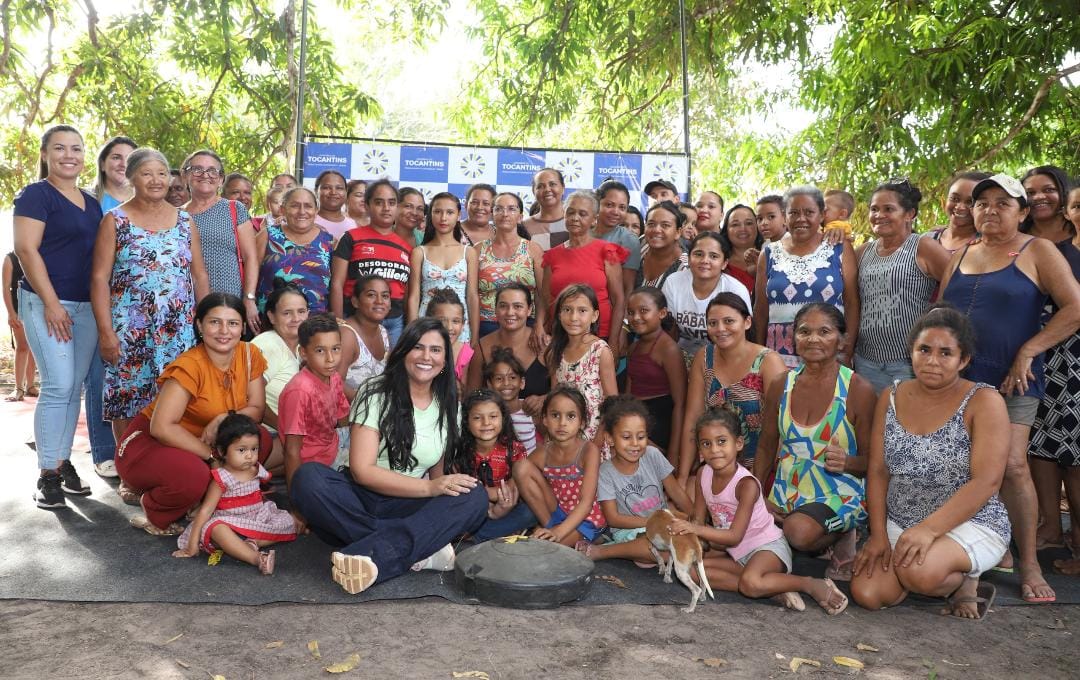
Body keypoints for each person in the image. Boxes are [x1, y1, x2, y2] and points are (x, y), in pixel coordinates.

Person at [940, 173, 1080, 603]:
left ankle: (1029, 565)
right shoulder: (961, 251)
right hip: (958, 381)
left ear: (1022, 211)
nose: (991, 210)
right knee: (963, 466)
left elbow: (1075, 307)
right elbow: (941, 312)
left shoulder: (1038, 250)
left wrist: (1028, 351)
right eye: (983, 203)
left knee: (1014, 467)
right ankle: (973, 551)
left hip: (1014, 378)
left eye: (1003, 203)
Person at [289, 317, 489, 593]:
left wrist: (440, 491)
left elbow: (437, 469)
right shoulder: (375, 392)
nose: (426, 357)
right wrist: (430, 489)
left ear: (445, 360)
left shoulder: (449, 405)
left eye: (435, 350)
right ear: (403, 351)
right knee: (308, 478)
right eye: (418, 347)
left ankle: (376, 553)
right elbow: (363, 470)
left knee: (474, 496)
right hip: (358, 498)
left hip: (408, 503)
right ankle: (414, 548)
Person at [853, 306, 1011, 618]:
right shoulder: (891, 395)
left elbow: (987, 481)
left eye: (945, 353)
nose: (932, 361)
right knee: (867, 593)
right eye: (924, 349)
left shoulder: (984, 401)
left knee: (921, 573)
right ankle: (928, 574)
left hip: (970, 522)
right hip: (902, 520)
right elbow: (878, 470)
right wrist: (879, 535)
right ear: (911, 352)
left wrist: (928, 530)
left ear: (963, 360)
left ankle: (968, 579)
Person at [116, 294, 276, 534]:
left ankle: (204, 502)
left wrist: (225, 417)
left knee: (257, 439)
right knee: (192, 476)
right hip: (148, 444)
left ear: (243, 327)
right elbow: (161, 428)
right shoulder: (190, 364)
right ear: (200, 325)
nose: (224, 331)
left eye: (232, 323)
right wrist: (213, 457)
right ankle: (155, 508)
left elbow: (256, 409)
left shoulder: (248, 354)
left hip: (201, 441)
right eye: (214, 322)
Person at [670, 407, 850, 614]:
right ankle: (774, 589)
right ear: (700, 450)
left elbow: (733, 536)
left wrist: (694, 529)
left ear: (738, 443)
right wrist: (687, 532)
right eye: (706, 444)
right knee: (689, 571)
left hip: (767, 548)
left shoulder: (746, 484)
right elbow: (699, 520)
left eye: (721, 441)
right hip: (737, 554)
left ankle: (807, 584)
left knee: (750, 583)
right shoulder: (703, 474)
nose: (714, 450)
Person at [91, 147, 210, 448]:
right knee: (127, 396)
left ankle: (171, 465)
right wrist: (106, 332)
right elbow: (99, 279)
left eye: (160, 173)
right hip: (129, 330)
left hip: (178, 330)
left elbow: (199, 275)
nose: (156, 180)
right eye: (146, 174)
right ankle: (128, 466)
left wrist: (205, 322)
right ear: (132, 178)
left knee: (178, 396)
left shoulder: (185, 222)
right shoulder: (114, 220)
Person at [753, 304, 876, 581]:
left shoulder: (858, 390)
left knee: (798, 532)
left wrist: (848, 462)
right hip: (786, 494)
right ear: (793, 338)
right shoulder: (782, 384)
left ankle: (842, 531)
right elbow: (766, 444)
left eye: (824, 332)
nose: (813, 339)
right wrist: (757, 493)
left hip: (839, 495)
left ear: (842, 340)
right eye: (804, 331)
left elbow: (875, 462)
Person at [15, 125, 104, 506]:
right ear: (45, 154)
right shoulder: (36, 195)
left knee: (73, 388)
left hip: (86, 307)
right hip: (45, 302)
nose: (70, 155)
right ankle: (47, 475)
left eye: (77, 149)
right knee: (57, 384)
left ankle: (61, 459)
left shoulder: (91, 201)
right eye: (60, 148)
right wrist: (51, 302)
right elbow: (26, 250)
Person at [854, 179, 950, 393]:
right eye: (874, 209)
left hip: (909, 362)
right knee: (872, 425)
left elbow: (958, 284)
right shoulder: (862, 252)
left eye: (889, 209)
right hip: (866, 360)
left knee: (907, 424)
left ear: (910, 214)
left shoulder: (922, 246)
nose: (879, 215)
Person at [681, 293, 787, 484]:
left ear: (747, 322)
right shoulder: (704, 358)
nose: (720, 329)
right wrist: (682, 475)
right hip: (717, 465)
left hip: (764, 469)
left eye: (729, 321)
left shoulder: (768, 362)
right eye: (713, 323)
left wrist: (757, 480)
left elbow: (781, 428)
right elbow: (692, 420)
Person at [172, 414, 298, 575]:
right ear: (222, 451)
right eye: (241, 450)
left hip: (255, 518)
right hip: (229, 523)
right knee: (217, 529)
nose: (249, 455)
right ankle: (256, 558)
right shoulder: (222, 478)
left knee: (289, 521)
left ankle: (251, 542)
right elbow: (206, 511)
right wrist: (192, 545)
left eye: (254, 449)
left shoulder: (256, 469)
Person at [753, 185, 859, 369]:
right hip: (778, 360)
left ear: (822, 215)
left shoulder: (839, 248)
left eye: (809, 212)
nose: (801, 219)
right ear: (785, 217)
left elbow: (852, 303)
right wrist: (761, 354)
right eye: (793, 213)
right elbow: (761, 309)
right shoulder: (769, 253)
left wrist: (846, 351)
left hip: (829, 357)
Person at [1029, 179, 1080, 558]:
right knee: (1038, 443)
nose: (1038, 197)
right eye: (1029, 192)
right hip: (1034, 354)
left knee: (1074, 452)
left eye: (1047, 189)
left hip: (1073, 352)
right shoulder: (1020, 237)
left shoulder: (1074, 241)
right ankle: (1050, 527)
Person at [578, 395, 693, 563]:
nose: (635, 443)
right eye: (626, 437)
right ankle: (604, 551)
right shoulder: (605, 472)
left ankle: (649, 552)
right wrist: (653, 523)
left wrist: (695, 520)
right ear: (609, 438)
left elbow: (675, 491)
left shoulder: (653, 455)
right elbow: (613, 518)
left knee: (684, 542)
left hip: (663, 524)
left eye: (640, 437)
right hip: (630, 530)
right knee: (652, 546)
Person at [513, 384, 606, 546]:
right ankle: (549, 530)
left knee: (546, 548)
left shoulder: (588, 450)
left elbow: (586, 503)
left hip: (585, 518)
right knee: (521, 467)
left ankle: (564, 536)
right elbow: (516, 481)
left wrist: (558, 532)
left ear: (582, 422)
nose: (562, 423)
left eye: (570, 416)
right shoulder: (543, 452)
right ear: (545, 420)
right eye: (555, 415)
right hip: (556, 513)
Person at [181, 149, 261, 335]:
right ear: (185, 175)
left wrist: (249, 299)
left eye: (212, 171)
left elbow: (251, 258)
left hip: (229, 303)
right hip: (185, 306)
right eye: (197, 169)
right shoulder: (174, 215)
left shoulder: (234, 209)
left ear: (221, 179)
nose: (205, 175)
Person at [537, 190, 627, 352]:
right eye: (570, 212)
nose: (575, 218)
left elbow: (619, 300)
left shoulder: (607, 252)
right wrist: (539, 326)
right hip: (560, 336)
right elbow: (545, 299)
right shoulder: (552, 255)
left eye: (583, 214)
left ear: (594, 220)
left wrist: (613, 341)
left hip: (599, 335)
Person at [330, 179, 411, 346]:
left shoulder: (406, 248)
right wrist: (338, 323)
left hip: (394, 323)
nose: (386, 208)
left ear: (397, 207)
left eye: (392, 202)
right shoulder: (351, 238)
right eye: (379, 202)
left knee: (390, 370)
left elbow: (407, 292)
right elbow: (337, 284)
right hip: (354, 318)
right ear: (367, 206)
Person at [277, 314, 350, 491]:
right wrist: (298, 501)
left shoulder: (333, 377)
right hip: (314, 464)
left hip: (334, 445)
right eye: (320, 351)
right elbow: (292, 451)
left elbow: (344, 420)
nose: (330, 359)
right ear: (303, 353)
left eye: (336, 349)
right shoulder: (300, 391)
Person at [662, 231, 752, 363]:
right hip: (680, 356)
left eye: (714, 256)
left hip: (725, 356)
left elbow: (744, 336)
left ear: (724, 263)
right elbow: (668, 330)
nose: (705, 261)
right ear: (689, 257)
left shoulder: (735, 289)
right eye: (698, 254)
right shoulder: (673, 282)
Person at [462, 388, 536, 541]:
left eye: (493, 416)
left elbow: (513, 490)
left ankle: (476, 536)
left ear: (503, 418)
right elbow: (462, 491)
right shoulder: (461, 452)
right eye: (477, 418)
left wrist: (499, 507)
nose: (486, 423)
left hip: (510, 506)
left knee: (530, 512)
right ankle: (487, 532)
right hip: (475, 509)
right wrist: (489, 508)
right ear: (466, 421)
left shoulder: (514, 449)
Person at [547, 285, 618, 442]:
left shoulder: (600, 351)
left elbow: (612, 402)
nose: (573, 317)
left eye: (582, 311)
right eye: (567, 310)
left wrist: (598, 442)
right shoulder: (556, 351)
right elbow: (554, 398)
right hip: (564, 437)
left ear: (595, 316)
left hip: (594, 438)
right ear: (559, 315)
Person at [624, 287, 686, 464]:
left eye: (643, 311)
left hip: (660, 422)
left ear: (662, 313)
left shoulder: (669, 349)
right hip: (637, 419)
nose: (636, 317)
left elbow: (680, 403)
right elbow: (629, 395)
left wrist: (673, 456)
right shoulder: (633, 348)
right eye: (630, 312)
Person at [407, 192, 479, 344]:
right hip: (425, 323)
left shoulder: (469, 252)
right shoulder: (419, 252)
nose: (443, 218)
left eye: (450, 212)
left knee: (458, 368)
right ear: (430, 214)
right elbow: (413, 297)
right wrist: (411, 333)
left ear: (459, 215)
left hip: (460, 326)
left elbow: (472, 296)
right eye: (437, 212)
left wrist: (475, 335)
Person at [466, 282, 549, 407]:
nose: (510, 312)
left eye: (518, 306)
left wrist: (544, 399)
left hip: (541, 424)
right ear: (495, 310)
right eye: (503, 306)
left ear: (529, 310)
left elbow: (563, 390)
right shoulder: (482, 347)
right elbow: (473, 395)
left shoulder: (546, 344)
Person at [476, 191, 544, 337]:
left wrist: (539, 324)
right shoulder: (478, 249)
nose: (505, 214)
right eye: (499, 209)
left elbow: (541, 293)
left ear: (520, 217)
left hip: (526, 325)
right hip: (486, 326)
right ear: (492, 215)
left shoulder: (533, 249)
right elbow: (471, 294)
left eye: (511, 209)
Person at [256, 187, 333, 315]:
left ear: (316, 211)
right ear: (282, 209)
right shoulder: (267, 235)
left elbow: (337, 285)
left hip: (316, 323)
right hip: (271, 319)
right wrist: (248, 300)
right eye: (295, 206)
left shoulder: (329, 242)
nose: (302, 211)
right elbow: (248, 274)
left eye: (308, 206)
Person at [250, 283, 307, 453]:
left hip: (287, 434)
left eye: (301, 312)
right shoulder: (268, 344)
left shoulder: (301, 348)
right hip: (265, 435)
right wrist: (286, 431)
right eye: (287, 313)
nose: (296, 318)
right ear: (272, 317)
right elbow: (247, 397)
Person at [337, 274, 390, 402]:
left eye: (385, 296)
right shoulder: (347, 335)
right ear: (355, 301)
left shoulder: (383, 332)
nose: (379, 301)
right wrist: (370, 406)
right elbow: (334, 383)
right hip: (351, 414)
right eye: (371, 295)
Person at [483, 347, 538, 453]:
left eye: (512, 378)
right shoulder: (487, 415)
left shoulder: (530, 408)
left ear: (522, 383)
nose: (506, 383)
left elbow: (547, 440)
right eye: (499, 378)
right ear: (489, 384)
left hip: (528, 467)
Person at [593, 180, 643, 297]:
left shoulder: (629, 240)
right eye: (609, 205)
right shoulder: (582, 232)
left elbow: (627, 287)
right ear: (596, 203)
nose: (616, 212)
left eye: (622, 207)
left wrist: (622, 315)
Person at [3, 252, 37, 400]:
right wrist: (10, 313)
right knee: (22, 346)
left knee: (34, 348)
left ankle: (30, 386)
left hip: (36, 308)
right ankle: (18, 388)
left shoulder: (37, 255)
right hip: (17, 309)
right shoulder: (10, 259)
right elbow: (5, 288)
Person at [931, 172, 991, 253]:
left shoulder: (988, 246)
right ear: (944, 201)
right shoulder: (926, 239)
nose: (960, 207)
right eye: (955, 199)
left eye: (970, 202)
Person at [425, 288, 473, 386]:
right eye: (442, 320)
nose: (449, 327)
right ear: (428, 320)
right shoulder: (421, 350)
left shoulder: (466, 354)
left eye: (455, 321)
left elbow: (465, 392)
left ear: (463, 324)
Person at [637, 201, 688, 289]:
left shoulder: (684, 268)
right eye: (651, 224)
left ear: (678, 232)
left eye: (665, 225)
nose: (656, 230)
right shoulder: (640, 246)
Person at [719, 204, 762, 292]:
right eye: (735, 225)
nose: (743, 229)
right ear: (726, 230)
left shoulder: (771, 257)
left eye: (749, 223)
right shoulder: (718, 262)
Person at [524, 168, 568, 250]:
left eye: (552, 184)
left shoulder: (577, 222)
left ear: (563, 188)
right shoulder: (524, 227)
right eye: (540, 186)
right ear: (533, 191)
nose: (547, 189)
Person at [93, 136, 137, 211]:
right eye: (116, 158)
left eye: (130, 159)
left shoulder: (148, 201)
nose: (123, 164)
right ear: (102, 164)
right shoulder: (87, 200)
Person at [313, 170, 355, 242]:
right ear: (316, 191)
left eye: (339, 188)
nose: (333, 192)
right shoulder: (307, 222)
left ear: (346, 191)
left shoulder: (354, 225)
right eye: (327, 187)